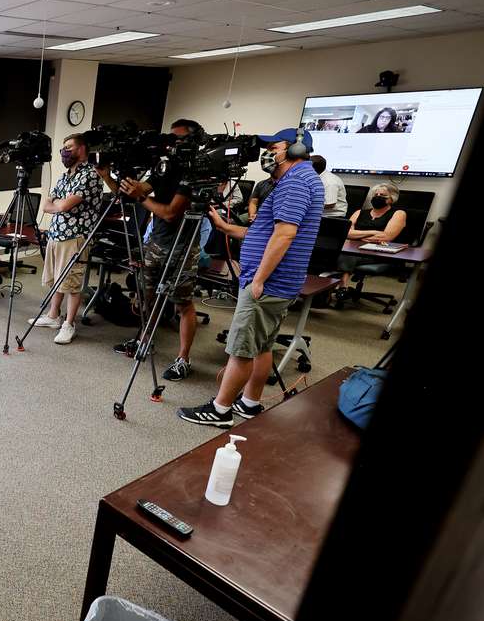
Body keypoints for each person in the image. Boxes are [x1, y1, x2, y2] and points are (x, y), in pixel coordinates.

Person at [179, 128, 323, 427]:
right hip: (279, 281)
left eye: (275, 147)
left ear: (296, 149)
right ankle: (250, 402)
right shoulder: (299, 180)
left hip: (269, 282)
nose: (268, 152)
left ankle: (220, 410)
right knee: (262, 345)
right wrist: (223, 225)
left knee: (242, 348)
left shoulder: (295, 182)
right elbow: (265, 232)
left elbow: (284, 235)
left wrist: (258, 278)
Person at [99, 119, 203, 381]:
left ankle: (183, 358)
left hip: (182, 247)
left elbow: (169, 213)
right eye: (170, 137)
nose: (172, 143)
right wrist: (108, 176)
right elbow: (132, 193)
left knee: (183, 305)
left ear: (192, 141)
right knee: (147, 298)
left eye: (178, 139)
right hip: (155, 243)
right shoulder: (163, 167)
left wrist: (142, 198)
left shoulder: (195, 172)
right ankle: (144, 340)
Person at [28, 133, 103, 344]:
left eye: (69, 147)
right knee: (56, 279)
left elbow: (61, 206)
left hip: (76, 236)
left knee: (71, 283)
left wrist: (59, 204)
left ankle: (69, 324)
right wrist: (58, 205)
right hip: (57, 233)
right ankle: (53, 316)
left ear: (81, 149)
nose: (64, 151)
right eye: (63, 147)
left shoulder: (89, 175)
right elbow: (47, 204)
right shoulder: (65, 175)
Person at [339, 182, 407, 288]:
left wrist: (357, 236)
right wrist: (374, 232)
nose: (378, 197)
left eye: (383, 196)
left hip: (378, 253)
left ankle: (341, 287)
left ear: (392, 199)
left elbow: (386, 237)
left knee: (346, 256)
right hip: (353, 249)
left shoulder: (398, 213)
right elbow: (346, 233)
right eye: (376, 195)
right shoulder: (359, 212)